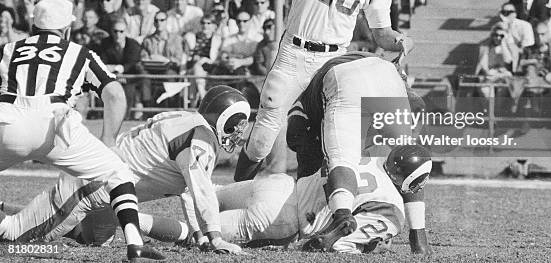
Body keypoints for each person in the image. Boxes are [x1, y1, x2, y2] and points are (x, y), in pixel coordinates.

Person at [234, 0, 414, 181]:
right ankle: (239, 190)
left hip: (333, 61)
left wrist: (400, 40)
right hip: (295, 52)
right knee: (265, 129)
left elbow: (381, 33)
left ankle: (320, 199)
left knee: (326, 134)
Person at [0, 0, 164, 262]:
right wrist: (108, 139)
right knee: (118, 173)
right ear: (66, 29)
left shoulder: (9, 48)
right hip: (55, 124)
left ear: (33, 24)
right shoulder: (79, 53)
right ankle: (134, 243)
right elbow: (115, 94)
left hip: (6, 120)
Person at [0, 86, 248, 255]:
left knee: (94, 239)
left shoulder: (187, 120)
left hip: (109, 193)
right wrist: (214, 236)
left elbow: (189, 190)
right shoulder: (201, 138)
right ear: (223, 118)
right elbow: (202, 191)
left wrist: (199, 233)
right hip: (95, 184)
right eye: (237, 124)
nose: (239, 131)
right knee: (17, 240)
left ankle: (9, 209)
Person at [135, 145, 431, 255]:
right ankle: (131, 221)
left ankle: (121, 199)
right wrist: (370, 249)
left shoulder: (364, 153)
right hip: (283, 219)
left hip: (280, 185)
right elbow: (337, 243)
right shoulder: (391, 209)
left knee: (205, 194)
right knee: (194, 234)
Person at [284, 52, 427, 252]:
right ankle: (419, 237)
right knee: (408, 159)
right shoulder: (378, 63)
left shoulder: (303, 107)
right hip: (386, 73)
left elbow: (301, 142)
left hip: (344, 79)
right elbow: (418, 105)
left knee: (342, 159)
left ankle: (342, 216)